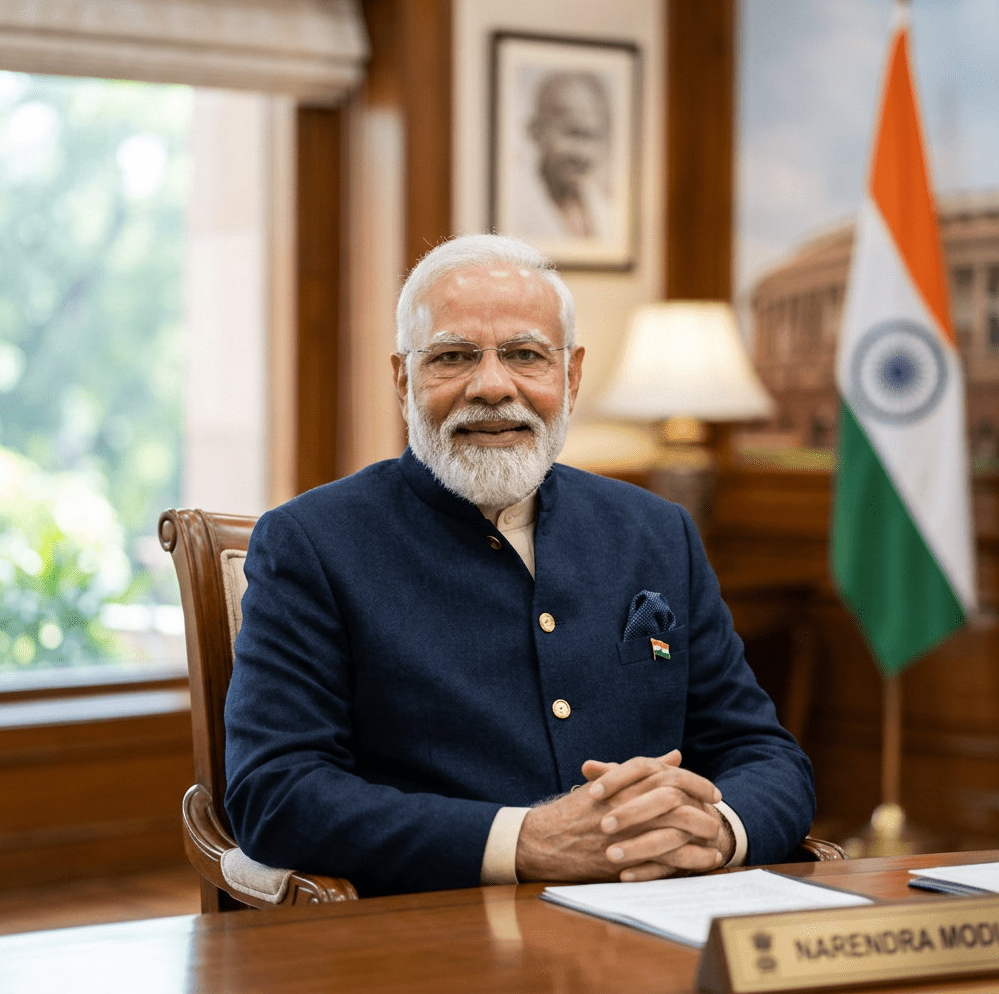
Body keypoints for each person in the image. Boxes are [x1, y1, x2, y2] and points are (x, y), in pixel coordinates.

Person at [223, 234, 816, 897]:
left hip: (660, 916)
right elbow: (274, 793)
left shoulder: (658, 532)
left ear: (571, 375)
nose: (492, 386)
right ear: (402, 378)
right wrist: (523, 842)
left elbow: (767, 755)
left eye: (525, 355)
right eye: (452, 357)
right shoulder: (311, 542)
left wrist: (718, 831)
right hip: (439, 932)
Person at [514, 71, 614, 240]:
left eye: (590, 135)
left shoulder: (609, 209)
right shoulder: (514, 204)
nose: (581, 153)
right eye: (572, 133)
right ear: (536, 130)